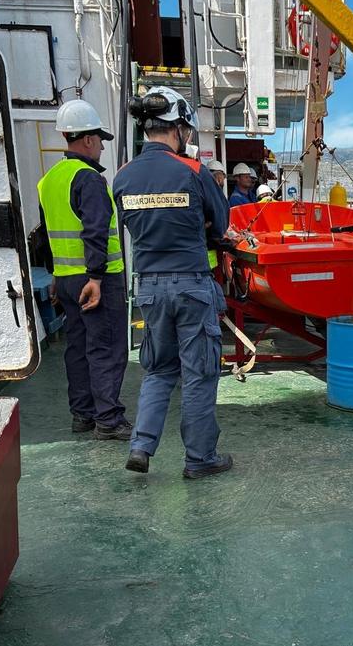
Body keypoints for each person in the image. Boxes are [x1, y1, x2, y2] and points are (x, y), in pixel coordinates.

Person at [113, 86, 232, 480]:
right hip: (191, 285)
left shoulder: (123, 178)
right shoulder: (194, 172)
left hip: (147, 286)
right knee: (198, 373)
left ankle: (141, 447)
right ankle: (200, 459)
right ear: (179, 128)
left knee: (159, 370)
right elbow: (223, 222)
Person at [37, 99, 131, 439]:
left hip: (64, 279)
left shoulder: (49, 181)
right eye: (101, 140)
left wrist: (53, 275)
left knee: (77, 348)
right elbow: (94, 231)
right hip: (97, 281)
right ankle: (109, 419)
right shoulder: (88, 178)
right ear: (88, 139)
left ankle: (83, 415)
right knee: (106, 346)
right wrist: (95, 277)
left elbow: (45, 234)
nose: (103, 147)